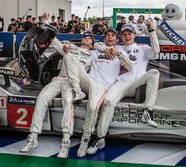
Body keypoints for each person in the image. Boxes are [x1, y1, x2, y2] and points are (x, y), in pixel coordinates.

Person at [85, 22, 160, 155]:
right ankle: (100, 138)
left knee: (154, 73)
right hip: (120, 83)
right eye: (124, 34)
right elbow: (97, 44)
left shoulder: (142, 48)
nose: (127, 36)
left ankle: (148, 111)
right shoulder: (117, 46)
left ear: (134, 35)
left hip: (137, 82)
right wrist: (105, 49)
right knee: (108, 102)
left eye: (129, 34)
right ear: (120, 37)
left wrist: (152, 31)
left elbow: (156, 51)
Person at [20, 31, 95, 159]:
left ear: (93, 45)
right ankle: (33, 138)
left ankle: (65, 143)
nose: (86, 39)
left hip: (72, 83)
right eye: (85, 37)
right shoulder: (69, 48)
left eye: (89, 38)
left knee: (68, 102)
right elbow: (53, 41)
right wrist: (42, 30)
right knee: (41, 99)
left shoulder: (93, 55)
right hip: (59, 79)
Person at [64, 28, 134, 157]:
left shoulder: (121, 51)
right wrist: (103, 49)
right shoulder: (96, 51)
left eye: (113, 35)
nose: (110, 37)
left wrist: (118, 53)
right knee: (69, 57)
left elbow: (130, 67)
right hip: (87, 81)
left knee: (92, 106)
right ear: (104, 39)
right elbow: (91, 45)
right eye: (107, 35)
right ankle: (77, 91)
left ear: (117, 39)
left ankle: (85, 140)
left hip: (102, 87)